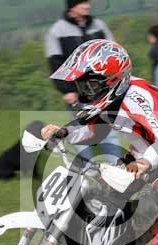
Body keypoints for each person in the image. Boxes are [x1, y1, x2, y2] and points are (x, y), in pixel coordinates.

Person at [41, 39, 158, 245]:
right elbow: (93, 131)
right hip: (142, 149)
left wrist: (145, 163)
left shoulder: (138, 98)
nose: (85, 93)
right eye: (82, 86)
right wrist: (62, 133)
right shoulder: (110, 101)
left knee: (149, 207)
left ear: (113, 81)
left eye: (90, 86)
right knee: (101, 191)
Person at [45, 0, 121, 161]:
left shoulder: (99, 25)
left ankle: (116, 169)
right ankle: (87, 171)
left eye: (87, 2)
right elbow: (55, 64)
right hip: (76, 92)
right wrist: (66, 90)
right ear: (72, 7)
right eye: (83, 3)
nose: (87, 6)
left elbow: (114, 52)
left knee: (108, 131)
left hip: (102, 90)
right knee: (80, 133)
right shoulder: (57, 31)